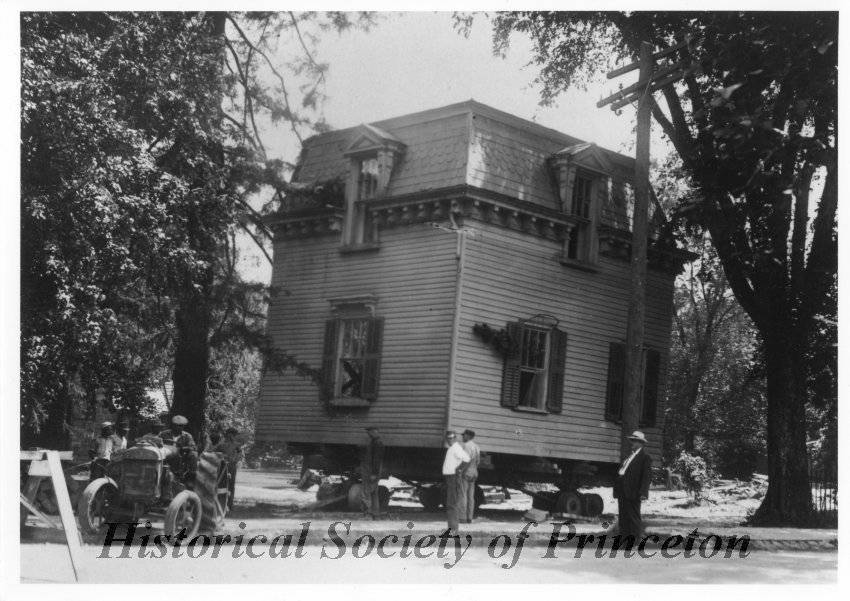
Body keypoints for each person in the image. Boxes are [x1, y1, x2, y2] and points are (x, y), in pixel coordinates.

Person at [613, 430, 652, 544]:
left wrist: (643, 492)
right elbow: (623, 472)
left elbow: (647, 477)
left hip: (634, 492)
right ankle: (625, 541)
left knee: (633, 517)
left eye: (635, 441)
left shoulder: (645, 457)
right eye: (632, 441)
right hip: (623, 491)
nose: (632, 443)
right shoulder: (629, 456)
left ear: (641, 443)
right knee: (623, 516)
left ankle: (635, 542)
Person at [441, 430, 470, 534]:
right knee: (450, 503)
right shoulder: (452, 448)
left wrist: (459, 469)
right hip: (450, 478)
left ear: (455, 438)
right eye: (448, 438)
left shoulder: (456, 448)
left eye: (451, 438)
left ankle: (453, 529)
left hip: (453, 478)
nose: (450, 440)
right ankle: (451, 528)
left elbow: (467, 459)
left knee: (452, 503)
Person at [160, 415, 198, 480]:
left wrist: (184, 448)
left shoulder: (187, 436)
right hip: (166, 455)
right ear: (172, 425)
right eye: (176, 425)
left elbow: (193, 447)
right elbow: (157, 443)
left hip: (181, 455)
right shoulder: (163, 434)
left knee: (193, 454)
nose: (178, 427)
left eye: (181, 426)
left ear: (183, 426)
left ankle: (191, 475)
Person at [214, 427, 244, 511]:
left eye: (233, 435)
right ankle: (221, 503)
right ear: (228, 434)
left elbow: (240, 454)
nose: (232, 436)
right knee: (220, 484)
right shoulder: (221, 444)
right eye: (232, 435)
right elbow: (214, 452)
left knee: (230, 485)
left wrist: (238, 460)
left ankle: (230, 504)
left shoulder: (236, 445)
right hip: (221, 466)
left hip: (231, 466)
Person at [359, 426, 385, 518]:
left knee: (366, 492)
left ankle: (368, 514)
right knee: (374, 492)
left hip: (371, 471)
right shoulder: (376, 442)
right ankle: (375, 514)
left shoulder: (377, 443)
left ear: (375, 432)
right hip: (372, 470)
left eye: (370, 432)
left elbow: (377, 460)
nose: (368, 434)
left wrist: (374, 473)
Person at [457, 429, 480, 524]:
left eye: (464, 435)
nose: (462, 437)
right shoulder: (476, 447)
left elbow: (466, 460)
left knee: (463, 495)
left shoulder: (467, 446)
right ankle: (470, 517)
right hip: (474, 471)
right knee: (471, 496)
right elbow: (478, 461)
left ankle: (462, 518)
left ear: (468, 436)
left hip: (466, 471)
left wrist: (461, 470)